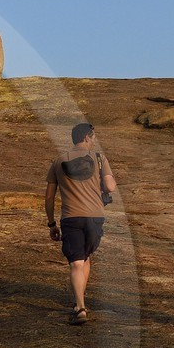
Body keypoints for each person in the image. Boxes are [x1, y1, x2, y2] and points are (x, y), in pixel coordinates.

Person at [45, 122, 117, 324]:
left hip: (71, 217)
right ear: (87, 137)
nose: (94, 141)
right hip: (95, 217)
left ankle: (80, 307)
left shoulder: (58, 161)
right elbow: (110, 187)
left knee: (76, 261)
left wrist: (51, 224)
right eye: (93, 137)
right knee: (85, 257)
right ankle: (80, 304)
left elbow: (49, 198)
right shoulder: (99, 159)